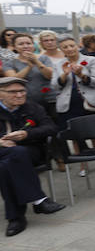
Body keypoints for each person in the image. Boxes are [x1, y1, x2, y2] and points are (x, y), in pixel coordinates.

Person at [0, 77, 66, 237]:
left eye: (22, 91)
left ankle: (16, 218)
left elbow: (51, 128)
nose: (19, 95)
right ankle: (38, 200)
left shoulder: (32, 107)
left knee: (8, 162)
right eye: (13, 92)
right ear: (0, 94)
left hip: (30, 150)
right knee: (8, 162)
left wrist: (26, 134)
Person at [54, 36, 95, 176]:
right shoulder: (60, 64)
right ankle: (83, 164)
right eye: (65, 47)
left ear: (77, 46)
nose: (69, 49)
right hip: (69, 104)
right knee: (75, 135)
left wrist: (81, 74)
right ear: (61, 49)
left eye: (71, 45)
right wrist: (64, 75)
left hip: (90, 101)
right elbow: (54, 85)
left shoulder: (91, 60)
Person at [4, 33, 54, 110]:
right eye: (21, 44)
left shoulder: (44, 58)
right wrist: (29, 67)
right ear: (14, 47)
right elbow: (13, 80)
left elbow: (50, 76)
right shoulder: (9, 63)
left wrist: (37, 62)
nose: (25, 46)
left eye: (28, 43)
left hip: (49, 99)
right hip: (24, 101)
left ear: (33, 45)